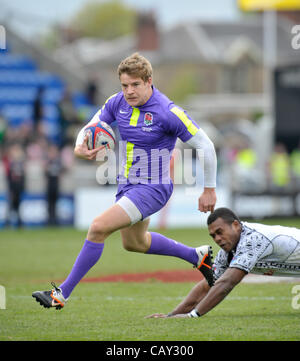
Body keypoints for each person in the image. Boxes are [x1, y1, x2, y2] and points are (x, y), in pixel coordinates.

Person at [32, 52, 217, 309]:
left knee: (98, 227)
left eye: (135, 85)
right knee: (135, 243)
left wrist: (209, 189)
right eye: (124, 85)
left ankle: (61, 294)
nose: (129, 91)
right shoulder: (117, 102)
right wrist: (79, 146)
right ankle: (198, 256)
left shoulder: (168, 111)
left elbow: (206, 146)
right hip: (128, 186)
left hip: (153, 188)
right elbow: (91, 126)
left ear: (149, 81)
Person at [147, 207, 300, 319]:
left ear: (236, 225)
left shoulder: (253, 239)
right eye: (213, 236)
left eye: (220, 232)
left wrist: (192, 316)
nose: (217, 239)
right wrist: (171, 316)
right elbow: (208, 285)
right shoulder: (228, 251)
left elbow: (227, 282)